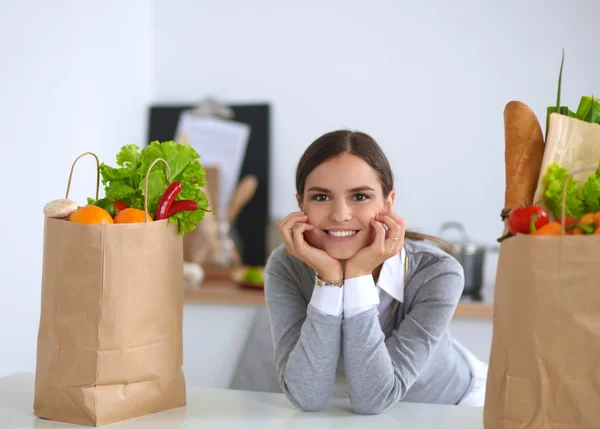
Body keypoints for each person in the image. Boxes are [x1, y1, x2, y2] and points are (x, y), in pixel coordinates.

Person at [263, 130, 488, 415]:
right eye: (321, 197)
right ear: (300, 205)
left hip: (452, 408)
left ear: (387, 204)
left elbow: (374, 398)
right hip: (358, 416)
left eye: (359, 196)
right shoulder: (287, 266)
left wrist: (356, 277)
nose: (340, 214)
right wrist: (330, 281)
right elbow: (306, 397)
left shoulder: (437, 272)